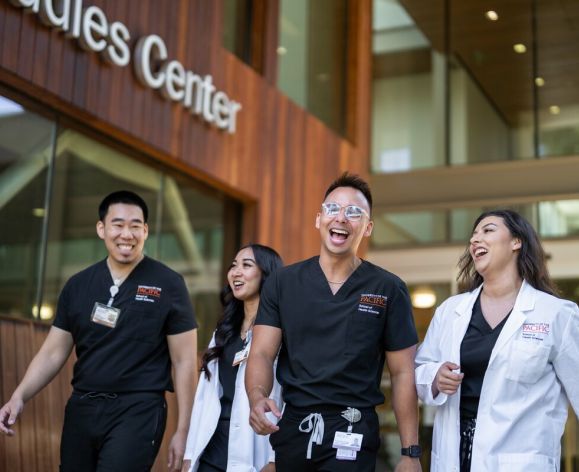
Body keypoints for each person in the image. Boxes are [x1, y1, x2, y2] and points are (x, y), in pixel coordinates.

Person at [0, 190, 198, 471]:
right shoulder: (78, 285)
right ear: (101, 229)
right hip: (83, 407)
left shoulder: (169, 284)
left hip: (138, 409)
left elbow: (185, 361)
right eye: (118, 225)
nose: (126, 234)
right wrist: (19, 397)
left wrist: (185, 429)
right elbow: (53, 352)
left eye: (135, 226)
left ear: (146, 230)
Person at [246, 172, 422, 472]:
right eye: (332, 209)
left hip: (353, 427)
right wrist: (257, 397)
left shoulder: (387, 289)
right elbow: (262, 352)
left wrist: (410, 452)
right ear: (319, 219)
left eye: (354, 213)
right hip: (293, 429)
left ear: (367, 228)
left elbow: (403, 372)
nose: (341, 218)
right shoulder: (283, 282)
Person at [415, 209, 579, 471]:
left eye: (487, 230)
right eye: (473, 235)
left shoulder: (556, 314)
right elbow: (418, 372)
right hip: (454, 458)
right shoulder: (450, 311)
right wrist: (434, 377)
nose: (475, 240)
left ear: (516, 242)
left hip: (521, 462)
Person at [182, 244, 283, 472]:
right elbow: (204, 396)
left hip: (255, 449)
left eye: (246, 265)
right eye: (233, 266)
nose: (235, 272)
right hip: (211, 450)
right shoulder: (224, 331)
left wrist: (275, 458)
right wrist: (190, 453)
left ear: (267, 274)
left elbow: (288, 397)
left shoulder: (281, 333)